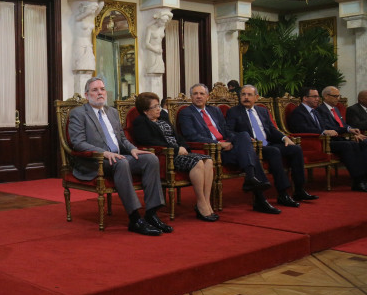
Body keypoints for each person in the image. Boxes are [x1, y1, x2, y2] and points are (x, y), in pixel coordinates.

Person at [68, 77, 170, 236]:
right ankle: (135, 219)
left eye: (102, 89)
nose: (100, 93)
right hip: (94, 161)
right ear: (87, 95)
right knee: (121, 163)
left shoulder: (112, 112)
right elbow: (78, 143)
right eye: (95, 90)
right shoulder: (78, 113)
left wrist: (133, 149)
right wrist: (104, 153)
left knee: (150, 159)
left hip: (118, 157)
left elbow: (122, 139)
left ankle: (151, 214)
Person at [178, 83, 279, 214]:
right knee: (250, 154)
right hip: (212, 151)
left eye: (202, 94)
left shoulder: (215, 111)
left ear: (207, 97)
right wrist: (218, 144)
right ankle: (259, 196)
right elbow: (191, 136)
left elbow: (226, 131)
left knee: (244, 136)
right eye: (195, 94)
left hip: (228, 146)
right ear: (191, 97)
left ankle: (251, 180)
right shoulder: (186, 113)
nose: (198, 96)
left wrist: (237, 140)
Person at [225, 85, 318, 208]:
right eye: (243, 94)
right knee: (274, 151)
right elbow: (229, 132)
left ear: (256, 97)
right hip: (253, 147)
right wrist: (245, 139)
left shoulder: (262, 111)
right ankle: (283, 193)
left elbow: (272, 130)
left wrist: (284, 138)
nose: (246, 97)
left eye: (249, 95)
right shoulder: (234, 111)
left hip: (268, 143)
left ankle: (299, 190)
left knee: (295, 149)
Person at [132, 92, 217, 221]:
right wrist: (176, 149)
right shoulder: (140, 122)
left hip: (180, 151)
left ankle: (206, 202)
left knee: (208, 161)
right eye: (154, 107)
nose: (158, 109)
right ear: (145, 111)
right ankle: (201, 203)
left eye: (158, 105)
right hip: (167, 156)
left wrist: (184, 147)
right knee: (198, 162)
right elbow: (149, 142)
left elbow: (176, 136)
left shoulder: (163, 117)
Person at [287, 87, 367, 192]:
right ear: (305, 98)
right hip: (315, 143)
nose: (317, 99)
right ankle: (358, 180)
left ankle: (362, 178)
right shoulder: (298, 112)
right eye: (314, 96)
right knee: (347, 145)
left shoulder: (315, 111)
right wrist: (323, 132)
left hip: (326, 140)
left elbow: (327, 126)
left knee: (356, 143)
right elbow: (302, 129)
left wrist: (348, 129)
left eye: (318, 96)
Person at [315, 86, 367, 192]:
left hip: (339, 138)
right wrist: (347, 130)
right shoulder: (320, 110)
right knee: (350, 145)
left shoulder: (336, 109)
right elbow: (328, 127)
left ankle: (364, 177)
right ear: (326, 96)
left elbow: (343, 125)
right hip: (328, 141)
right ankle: (358, 180)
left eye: (339, 96)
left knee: (363, 142)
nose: (338, 98)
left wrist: (351, 130)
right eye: (335, 96)